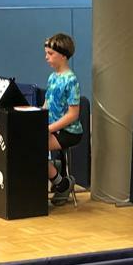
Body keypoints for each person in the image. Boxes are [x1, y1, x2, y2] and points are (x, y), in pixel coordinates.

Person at [42, 32, 83, 205]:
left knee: (33, 148)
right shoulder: (52, 77)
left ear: (63, 55)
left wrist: (49, 129)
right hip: (52, 129)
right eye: (46, 53)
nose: (46, 57)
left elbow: (73, 114)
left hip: (69, 132)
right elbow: (47, 104)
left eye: (50, 54)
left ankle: (62, 183)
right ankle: (54, 168)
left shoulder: (71, 80)